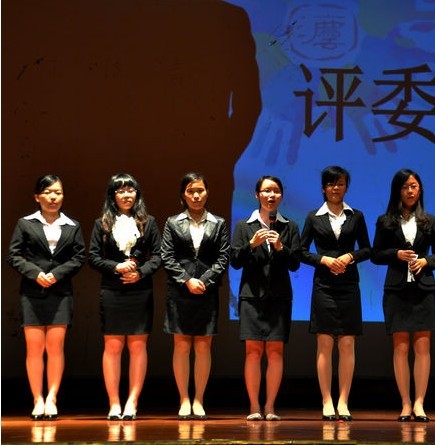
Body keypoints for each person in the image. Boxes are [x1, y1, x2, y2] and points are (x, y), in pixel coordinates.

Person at [7, 175, 86, 420]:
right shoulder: (25, 223)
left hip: (60, 292)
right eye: (48, 192)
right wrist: (36, 274)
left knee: (55, 347)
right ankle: (37, 399)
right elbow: (14, 255)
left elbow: (79, 257)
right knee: (34, 348)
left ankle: (52, 397)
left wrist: (56, 274)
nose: (53, 197)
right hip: (32, 292)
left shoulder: (72, 225)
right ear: (37, 197)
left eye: (58, 193)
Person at [371, 169, 435, 422]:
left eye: (414, 186)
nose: (410, 191)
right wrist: (396, 254)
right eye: (405, 187)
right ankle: (405, 403)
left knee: (423, 346)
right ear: (397, 191)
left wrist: (426, 261)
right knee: (401, 347)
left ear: (420, 189)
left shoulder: (429, 221)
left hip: (423, 289)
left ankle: (420, 403)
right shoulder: (385, 221)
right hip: (397, 290)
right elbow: (376, 254)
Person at [299, 166, 371, 422]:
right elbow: (300, 251)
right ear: (323, 188)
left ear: (346, 187)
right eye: (331, 184)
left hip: (349, 285)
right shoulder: (313, 217)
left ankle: (343, 400)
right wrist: (324, 260)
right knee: (325, 343)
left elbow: (367, 249)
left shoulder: (356, 215)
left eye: (340, 183)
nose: (335, 188)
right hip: (324, 286)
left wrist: (350, 256)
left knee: (348, 343)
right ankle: (327, 400)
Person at [88, 173, 162, 421]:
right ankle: (114, 403)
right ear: (113, 195)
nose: (126, 194)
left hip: (140, 290)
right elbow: (93, 257)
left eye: (130, 190)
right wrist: (116, 267)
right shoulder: (101, 224)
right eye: (120, 190)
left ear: (137, 194)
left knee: (138, 346)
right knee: (112, 346)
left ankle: (132, 401)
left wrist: (140, 273)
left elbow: (158, 256)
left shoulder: (148, 223)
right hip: (112, 290)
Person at [230, 176, 301, 421]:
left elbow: (295, 264)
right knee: (252, 351)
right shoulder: (244, 226)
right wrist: (251, 245)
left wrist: (281, 248)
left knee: (275, 352)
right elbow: (235, 261)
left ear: (281, 195)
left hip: (279, 297)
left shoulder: (289, 226)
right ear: (257, 195)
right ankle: (254, 406)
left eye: (276, 191)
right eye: (266, 191)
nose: (271, 195)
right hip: (251, 296)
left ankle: (270, 406)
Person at [161, 173, 230, 420]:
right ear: (183, 194)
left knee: (203, 346)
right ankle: (183, 399)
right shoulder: (172, 222)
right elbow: (167, 256)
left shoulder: (218, 223)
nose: (196, 195)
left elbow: (223, 257)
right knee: (181, 345)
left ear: (207, 192)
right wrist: (187, 280)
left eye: (200, 190)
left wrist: (205, 281)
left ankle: (199, 399)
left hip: (206, 291)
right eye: (191, 191)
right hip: (180, 291)